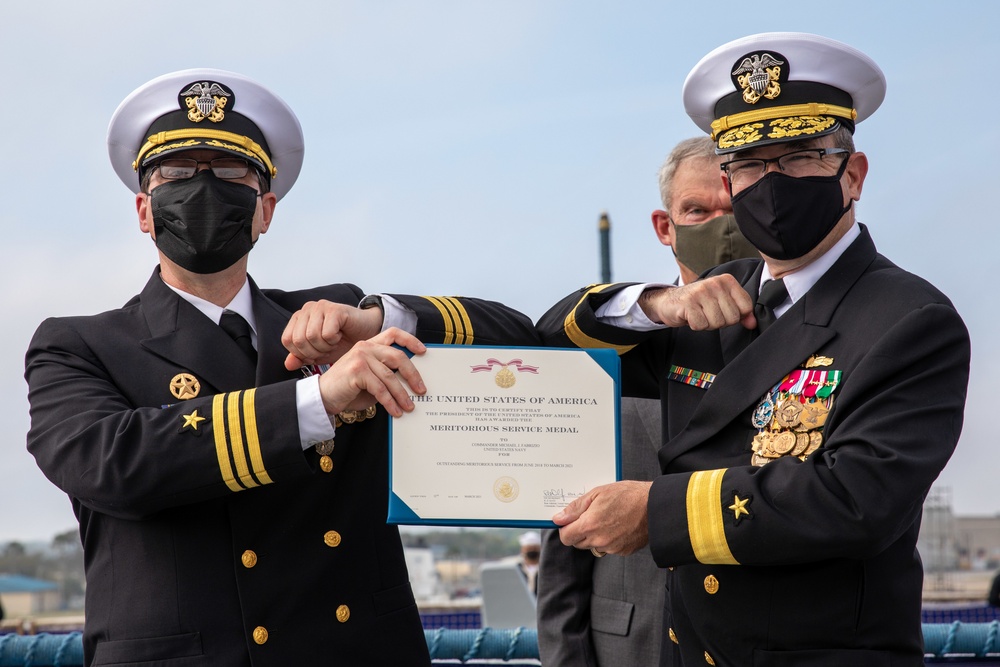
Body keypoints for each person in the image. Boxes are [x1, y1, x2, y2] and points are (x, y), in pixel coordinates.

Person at [24, 68, 538, 667]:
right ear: (145, 209)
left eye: (232, 173)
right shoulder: (79, 345)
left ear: (265, 210)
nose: (204, 187)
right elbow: (114, 464)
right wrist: (323, 400)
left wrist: (374, 322)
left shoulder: (338, 319)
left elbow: (520, 337)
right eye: (178, 173)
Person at [537, 33, 971, 666]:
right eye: (748, 164)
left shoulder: (909, 318)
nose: (770, 183)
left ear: (852, 173)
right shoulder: (712, 302)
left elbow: (855, 499)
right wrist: (659, 304)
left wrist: (656, 513)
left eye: (797, 156)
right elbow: (554, 345)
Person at [536, 136, 757, 667]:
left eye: (734, 209)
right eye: (697, 210)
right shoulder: (622, 344)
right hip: (630, 646)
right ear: (666, 226)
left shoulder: (809, 339)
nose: (719, 226)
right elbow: (563, 543)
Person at [517, 531, 542, 595]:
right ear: (522, 549)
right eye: (529, 548)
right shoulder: (517, 569)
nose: (532, 550)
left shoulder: (546, 569)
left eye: (535, 548)